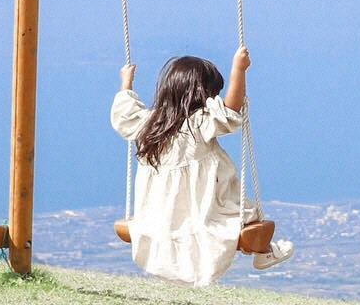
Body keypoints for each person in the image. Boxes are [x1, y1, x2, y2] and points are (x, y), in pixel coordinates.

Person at [111, 46, 294, 286]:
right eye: (212, 94)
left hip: (160, 217)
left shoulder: (148, 124)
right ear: (200, 94)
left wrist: (125, 82)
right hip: (202, 211)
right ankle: (264, 252)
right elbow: (230, 110)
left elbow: (124, 112)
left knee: (237, 213)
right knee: (246, 214)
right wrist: (238, 70)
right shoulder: (197, 125)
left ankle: (262, 252)